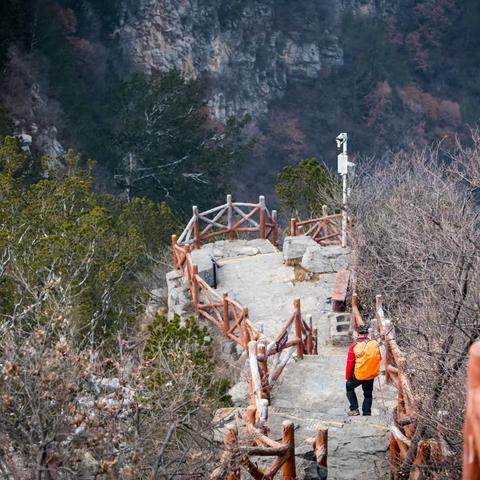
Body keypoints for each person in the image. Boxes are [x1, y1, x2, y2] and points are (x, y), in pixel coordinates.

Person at [345, 324, 381, 416]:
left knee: (349, 386)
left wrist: (348, 376)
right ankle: (367, 413)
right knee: (368, 394)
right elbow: (379, 357)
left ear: (357, 333)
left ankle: (354, 409)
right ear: (367, 333)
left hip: (358, 374)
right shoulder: (373, 344)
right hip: (370, 373)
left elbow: (350, 363)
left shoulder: (354, 345)